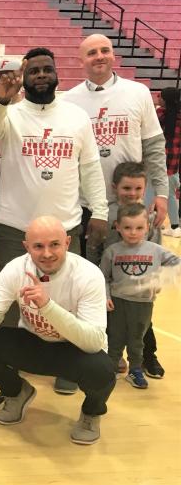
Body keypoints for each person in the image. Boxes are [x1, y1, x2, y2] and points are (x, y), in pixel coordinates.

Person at [0, 216, 116, 446]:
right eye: (38, 246)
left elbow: (93, 341)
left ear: (67, 242)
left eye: (54, 244)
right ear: (26, 247)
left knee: (103, 371)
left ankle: (91, 413)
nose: (47, 254)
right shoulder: (15, 269)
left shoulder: (88, 275)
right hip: (33, 343)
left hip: (74, 350)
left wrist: (47, 307)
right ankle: (17, 392)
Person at [0, 49, 108, 332]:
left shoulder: (77, 117)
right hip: (14, 227)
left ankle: (65, 368)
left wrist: (100, 211)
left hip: (65, 228)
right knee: (9, 301)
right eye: (33, 70)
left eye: (46, 70)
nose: (41, 75)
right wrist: (1, 99)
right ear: (23, 78)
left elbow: (89, 168)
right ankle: (9, 365)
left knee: (67, 302)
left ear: (56, 75)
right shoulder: (9, 114)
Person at [63, 34, 169, 248]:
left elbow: (154, 147)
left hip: (130, 202)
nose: (99, 56)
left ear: (113, 55)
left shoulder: (138, 92)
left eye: (105, 50)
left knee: (131, 268)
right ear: (81, 60)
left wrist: (162, 193)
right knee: (92, 268)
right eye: (92, 53)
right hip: (86, 205)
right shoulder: (68, 100)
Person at [93, 161, 166, 378]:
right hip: (113, 287)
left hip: (140, 289)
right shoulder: (105, 214)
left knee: (143, 325)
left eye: (138, 188)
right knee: (111, 326)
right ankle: (109, 359)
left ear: (145, 189)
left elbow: (157, 253)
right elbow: (95, 247)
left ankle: (147, 357)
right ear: (115, 187)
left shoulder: (150, 218)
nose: (132, 193)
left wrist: (156, 280)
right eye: (126, 188)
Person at [100, 203, 179, 389]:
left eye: (139, 228)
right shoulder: (111, 251)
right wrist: (106, 296)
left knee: (137, 339)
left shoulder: (156, 250)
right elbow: (103, 276)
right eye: (127, 227)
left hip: (143, 303)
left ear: (148, 227)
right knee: (115, 337)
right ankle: (110, 369)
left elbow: (176, 262)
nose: (133, 232)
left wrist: (162, 279)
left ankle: (135, 369)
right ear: (117, 227)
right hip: (118, 302)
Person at [157, 87, 180, 237]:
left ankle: (147, 225)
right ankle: (175, 226)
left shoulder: (160, 114)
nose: (157, 97)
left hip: (159, 159)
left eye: (160, 96)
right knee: (170, 193)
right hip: (175, 161)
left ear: (165, 100)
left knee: (153, 193)